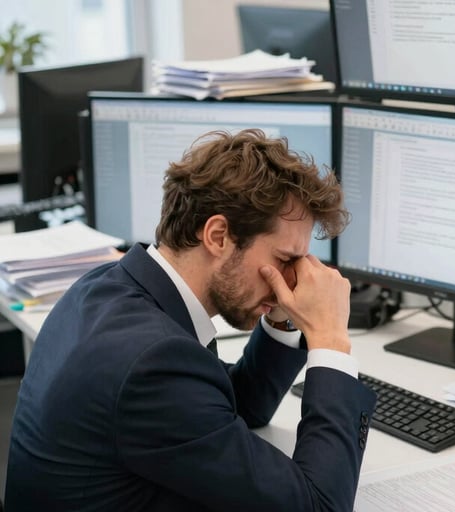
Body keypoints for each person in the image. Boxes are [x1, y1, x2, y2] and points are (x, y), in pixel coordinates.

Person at [4, 129, 377, 511]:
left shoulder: (106, 287)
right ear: (218, 236)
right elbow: (320, 506)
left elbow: (236, 408)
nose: (291, 279)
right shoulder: (153, 361)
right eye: (284, 260)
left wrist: (284, 319)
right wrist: (330, 342)